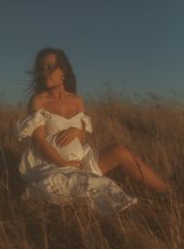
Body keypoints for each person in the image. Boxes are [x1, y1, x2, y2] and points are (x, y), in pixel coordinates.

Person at [17, 47, 168, 217]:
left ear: (63, 70)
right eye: (41, 68)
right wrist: (64, 164)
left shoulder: (76, 100)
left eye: (50, 67)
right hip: (52, 165)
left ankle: (167, 194)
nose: (45, 72)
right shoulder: (38, 100)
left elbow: (82, 138)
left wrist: (76, 130)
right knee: (94, 184)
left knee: (120, 151)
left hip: (81, 159)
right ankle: (138, 214)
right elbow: (38, 141)